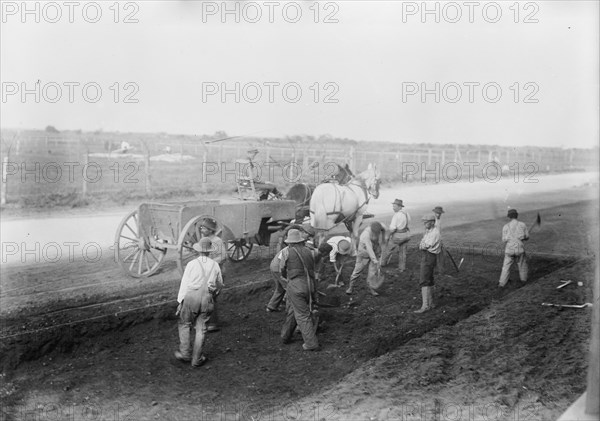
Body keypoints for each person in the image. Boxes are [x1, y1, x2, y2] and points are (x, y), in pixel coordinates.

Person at [174, 237, 224, 367]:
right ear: (209, 251)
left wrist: (180, 302)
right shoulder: (215, 265)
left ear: (198, 251)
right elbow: (220, 284)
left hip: (191, 297)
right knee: (201, 329)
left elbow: (184, 284)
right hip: (207, 299)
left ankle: (185, 353)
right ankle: (196, 359)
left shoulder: (191, 264)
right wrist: (213, 294)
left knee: (184, 324)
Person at [279, 229, 321, 351]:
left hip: (296, 285)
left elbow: (282, 270)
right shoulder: (309, 251)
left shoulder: (286, 252)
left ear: (290, 242)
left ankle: (311, 343)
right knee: (296, 309)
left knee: (302, 315)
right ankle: (285, 336)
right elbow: (313, 268)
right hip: (309, 285)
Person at [199, 218, 227, 332]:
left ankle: (212, 324)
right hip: (207, 273)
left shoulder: (217, 241)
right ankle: (209, 322)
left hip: (217, 272)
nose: (202, 229)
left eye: (204, 228)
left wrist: (211, 262)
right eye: (201, 227)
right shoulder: (204, 240)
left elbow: (224, 257)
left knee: (210, 298)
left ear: (210, 230)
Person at [346, 221, 385, 296]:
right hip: (364, 255)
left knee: (372, 273)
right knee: (357, 271)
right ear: (372, 229)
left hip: (375, 252)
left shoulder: (379, 228)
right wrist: (375, 261)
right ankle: (350, 287)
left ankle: (371, 289)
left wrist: (379, 252)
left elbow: (381, 238)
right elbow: (369, 248)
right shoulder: (366, 235)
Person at [415, 213, 441, 313]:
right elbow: (421, 243)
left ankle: (425, 306)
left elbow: (424, 245)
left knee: (424, 279)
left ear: (432, 222)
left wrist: (422, 245)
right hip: (428, 256)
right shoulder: (429, 231)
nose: (424, 224)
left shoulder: (434, 233)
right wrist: (422, 244)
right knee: (429, 279)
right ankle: (431, 303)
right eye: (424, 222)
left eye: (426, 222)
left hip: (429, 256)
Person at [498, 209, 529, 287]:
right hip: (519, 249)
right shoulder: (522, 224)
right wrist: (523, 237)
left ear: (509, 217)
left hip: (509, 250)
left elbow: (504, 240)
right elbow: (527, 237)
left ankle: (502, 283)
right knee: (522, 265)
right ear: (516, 215)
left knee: (506, 267)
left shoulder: (505, 226)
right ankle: (523, 281)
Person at [381, 199, 411, 271]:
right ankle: (402, 268)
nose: (393, 208)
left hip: (398, 236)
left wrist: (387, 236)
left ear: (399, 207)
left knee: (388, 249)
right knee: (403, 252)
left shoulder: (396, 215)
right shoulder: (406, 213)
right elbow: (409, 223)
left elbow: (392, 229)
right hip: (406, 235)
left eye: (394, 206)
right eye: (393, 206)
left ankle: (382, 263)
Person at [432, 206, 445, 275]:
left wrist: (441, 240)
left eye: (440, 213)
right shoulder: (433, 221)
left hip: (438, 240)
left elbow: (439, 232)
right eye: (437, 213)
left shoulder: (439, 220)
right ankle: (435, 271)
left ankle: (440, 272)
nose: (438, 214)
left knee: (440, 256)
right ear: (434, 213)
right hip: (434, 241)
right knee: (434, 256)